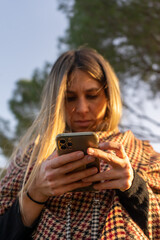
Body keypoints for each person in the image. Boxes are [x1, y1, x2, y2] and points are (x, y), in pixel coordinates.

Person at [0, 47, 160, 240]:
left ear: (109, 98)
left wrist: (134, 187)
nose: (82, 109)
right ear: (55, 102)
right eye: (69, 98)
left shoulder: (143, 152)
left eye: (92, 95)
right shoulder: (29, 156)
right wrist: (36, 192)